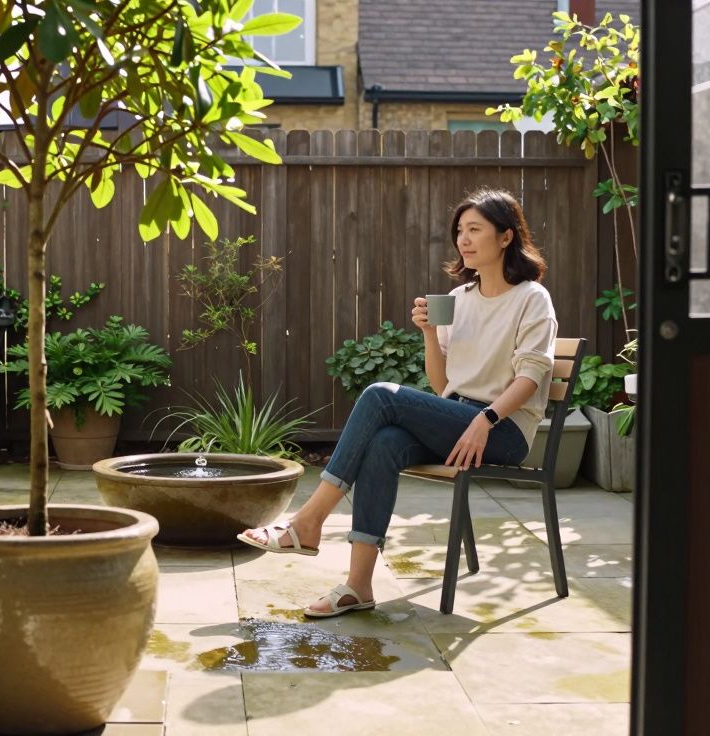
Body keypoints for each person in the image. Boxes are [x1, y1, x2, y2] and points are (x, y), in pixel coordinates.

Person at [237, 188, 557, 617]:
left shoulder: (532, 299)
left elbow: (531, 377)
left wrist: (486, 417)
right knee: (385, 442)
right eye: (459, 230)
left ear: (505, 237)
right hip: (459, 418)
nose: (463, 239)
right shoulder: (458, 300)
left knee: (379, 395)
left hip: (503, 430)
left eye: (474, 229)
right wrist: (429, 333)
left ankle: (307, 522)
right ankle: (358, 586)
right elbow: (444, 383)